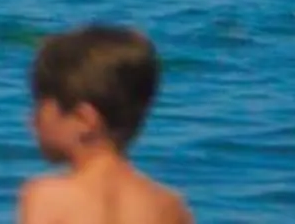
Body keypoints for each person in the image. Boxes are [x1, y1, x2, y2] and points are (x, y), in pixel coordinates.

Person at [17, 23, 189, 222]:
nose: (30, 120)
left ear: (84, 119)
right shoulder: (169, 205)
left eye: (39, 105)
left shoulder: (47, 195)